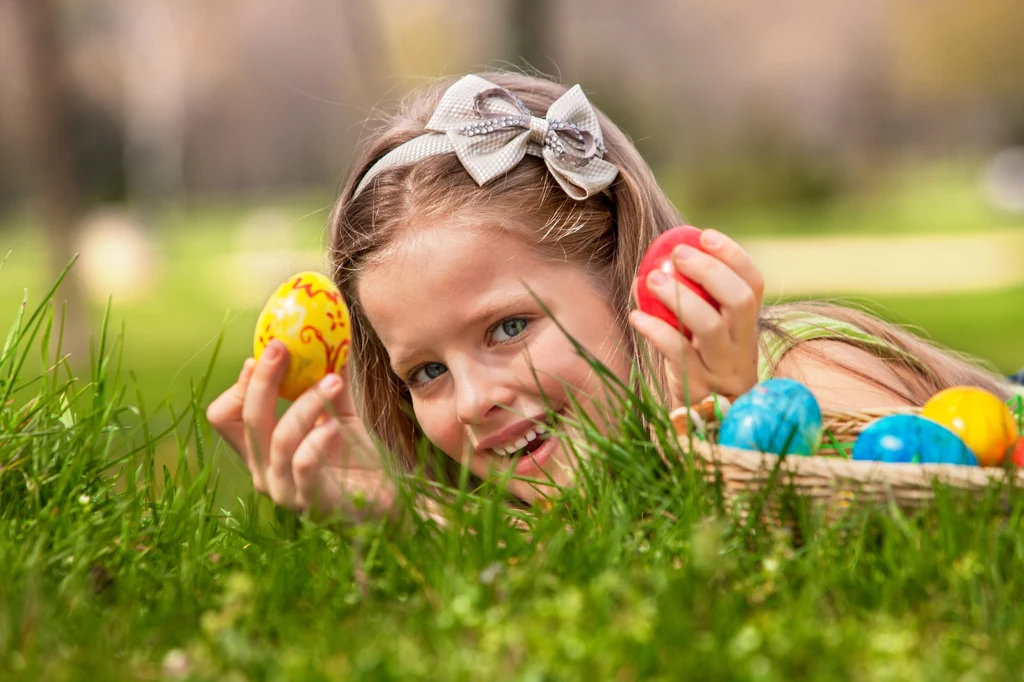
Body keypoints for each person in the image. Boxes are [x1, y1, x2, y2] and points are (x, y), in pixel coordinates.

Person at [206, 72, 1022, 520]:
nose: (477, 398)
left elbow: (920, 533)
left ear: (632, 278)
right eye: (425, 373)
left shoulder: (806, 378)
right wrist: (393, 518)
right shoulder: (548, 502)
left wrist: (729, 434)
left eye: (509, 327)